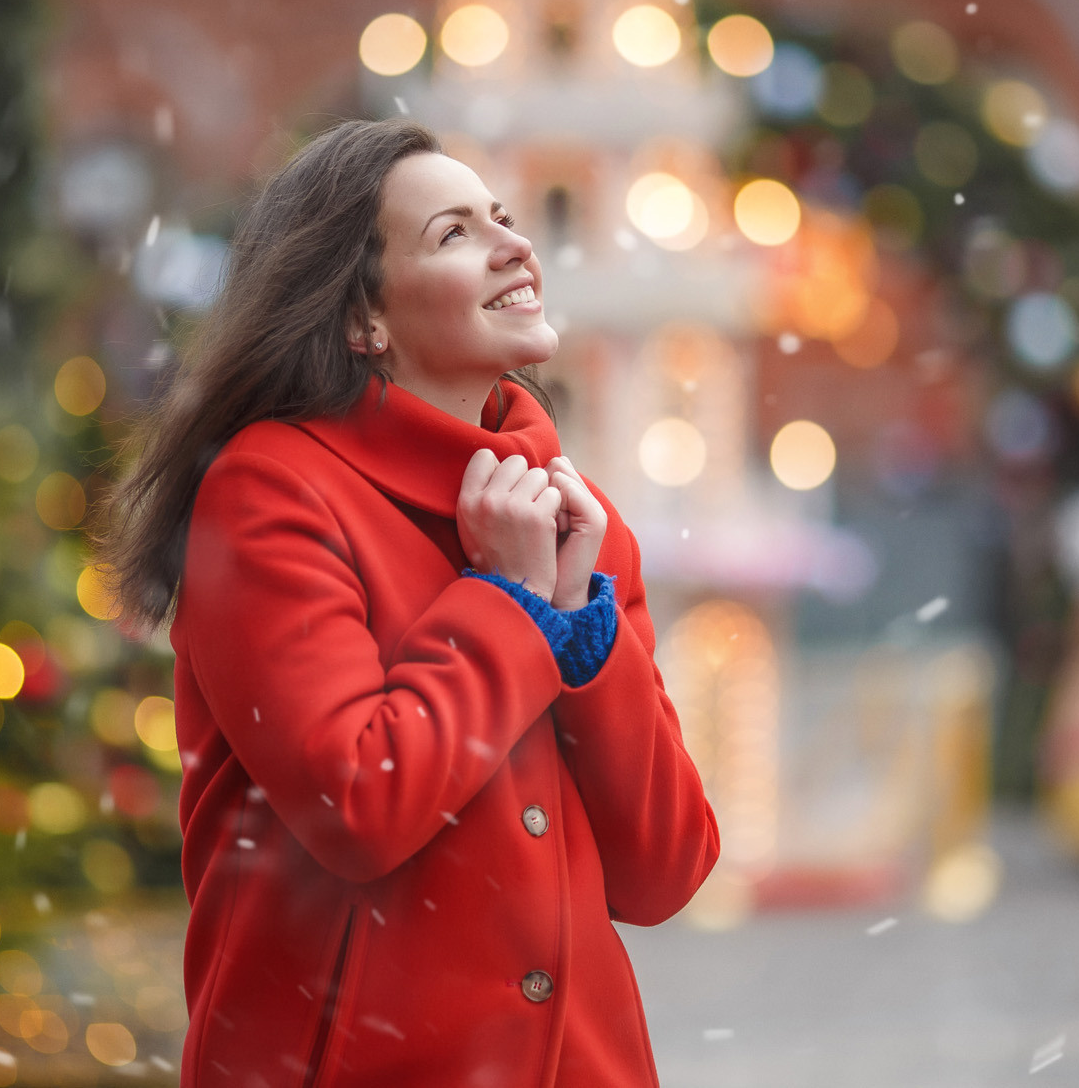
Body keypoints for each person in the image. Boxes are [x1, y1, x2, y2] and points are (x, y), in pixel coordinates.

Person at [97, 119, 720, 1086]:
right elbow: (360, 803)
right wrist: (511, 605)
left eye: (505, 218)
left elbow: (665, 869)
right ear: (362, 319)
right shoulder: (268, 493)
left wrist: (581, 633)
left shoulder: (579, 523)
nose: (517, 245)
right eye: (455, 233)